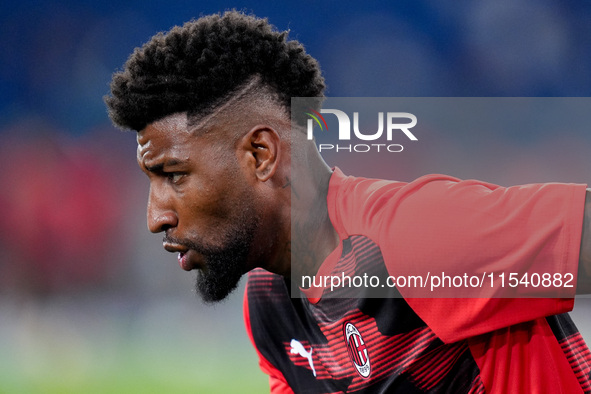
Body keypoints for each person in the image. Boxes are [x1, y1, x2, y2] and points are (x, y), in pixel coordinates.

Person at [105, 10, 591, 393]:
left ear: (260, 155)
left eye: (174, 175)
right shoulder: (272, 306)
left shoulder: (413, 238)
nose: (155, 217)